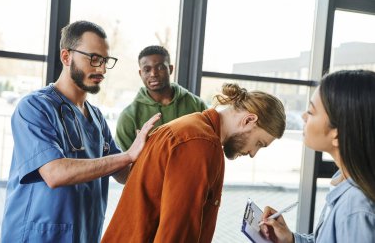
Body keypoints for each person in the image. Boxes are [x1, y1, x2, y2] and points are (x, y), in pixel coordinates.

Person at [1, 20, 161, 243]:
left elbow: (123, 173)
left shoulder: (96, 118)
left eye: (105, 61)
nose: (102, 69)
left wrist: (154, 153)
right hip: (37, 236)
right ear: (66, 57)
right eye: (94, 59)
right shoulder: (34, 107)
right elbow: (55, 173)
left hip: (85, 234)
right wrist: (127, 156)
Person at [102, 83, 286, 243]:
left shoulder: (192, 128)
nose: (253, 153)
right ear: (249, 120)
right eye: (259, 143)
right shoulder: (200, 143)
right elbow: (177, 230)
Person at [260, 70, 375, 243]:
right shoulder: (343, 179)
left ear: (338, 133)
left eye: (311, 112)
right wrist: (290, 239)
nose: (303, 116)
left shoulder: (356, 209)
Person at [115, 45, 208, 151]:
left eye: (160, 67)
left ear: (170, 69)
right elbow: (124, 162)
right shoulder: (129, 116)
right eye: (147, 69)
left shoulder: (197, 105)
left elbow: (211, 147)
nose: (153, 73)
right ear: (140, 73)